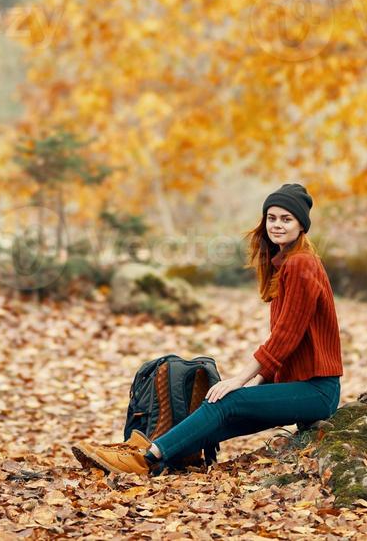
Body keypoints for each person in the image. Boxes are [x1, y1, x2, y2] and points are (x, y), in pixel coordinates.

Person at [71, 182, 344, 476]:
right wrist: (260, 385)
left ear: (301, 225)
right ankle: (168, 452)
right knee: (221, 414)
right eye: (272, 218)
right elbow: (288, 340)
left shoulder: (302, 264)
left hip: (316, 391)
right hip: (299, 387)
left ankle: (144, 460)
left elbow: (286, 336)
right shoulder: (286, 263)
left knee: (227, 399)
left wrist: (239, 380)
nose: (277, 225)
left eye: (286, 219)